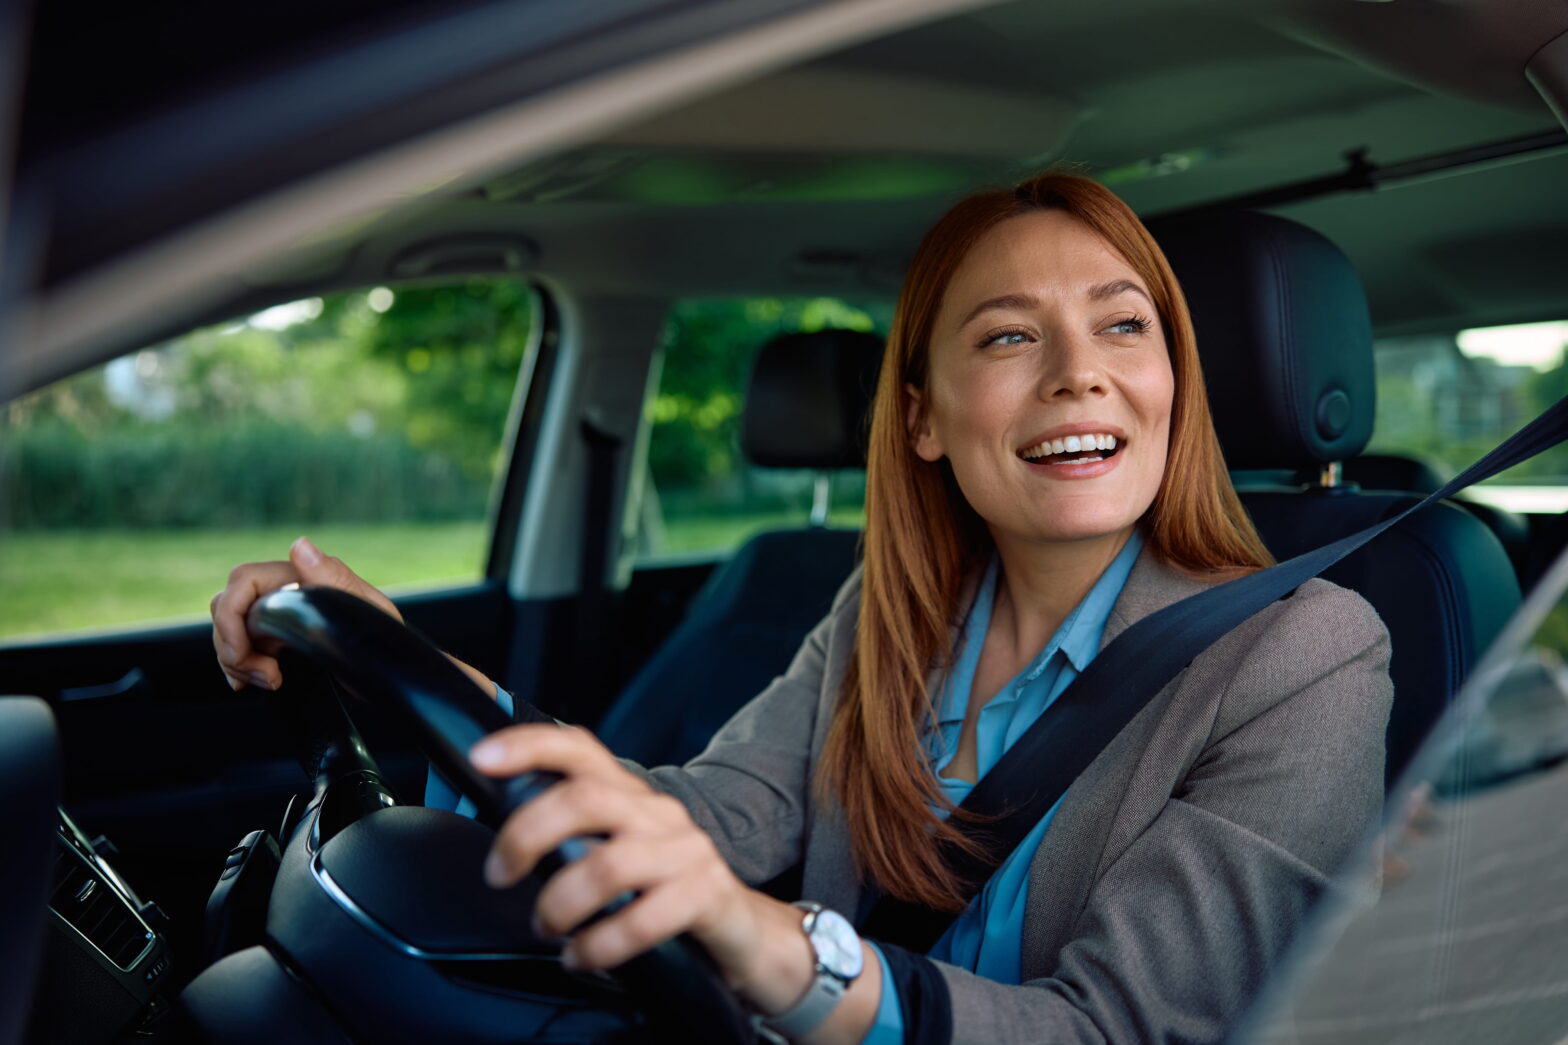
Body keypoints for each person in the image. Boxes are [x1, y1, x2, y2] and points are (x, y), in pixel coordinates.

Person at [211, 173, 1393, 1044]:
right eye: (1007, 335)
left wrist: (776, 948)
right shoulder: (892, 605)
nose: (1076, 371)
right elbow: (708, 816)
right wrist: (400, 657)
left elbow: (1118, 1032)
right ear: (923, 419)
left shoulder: (1303, 655)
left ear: (1171, 385)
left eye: (1121, 324)